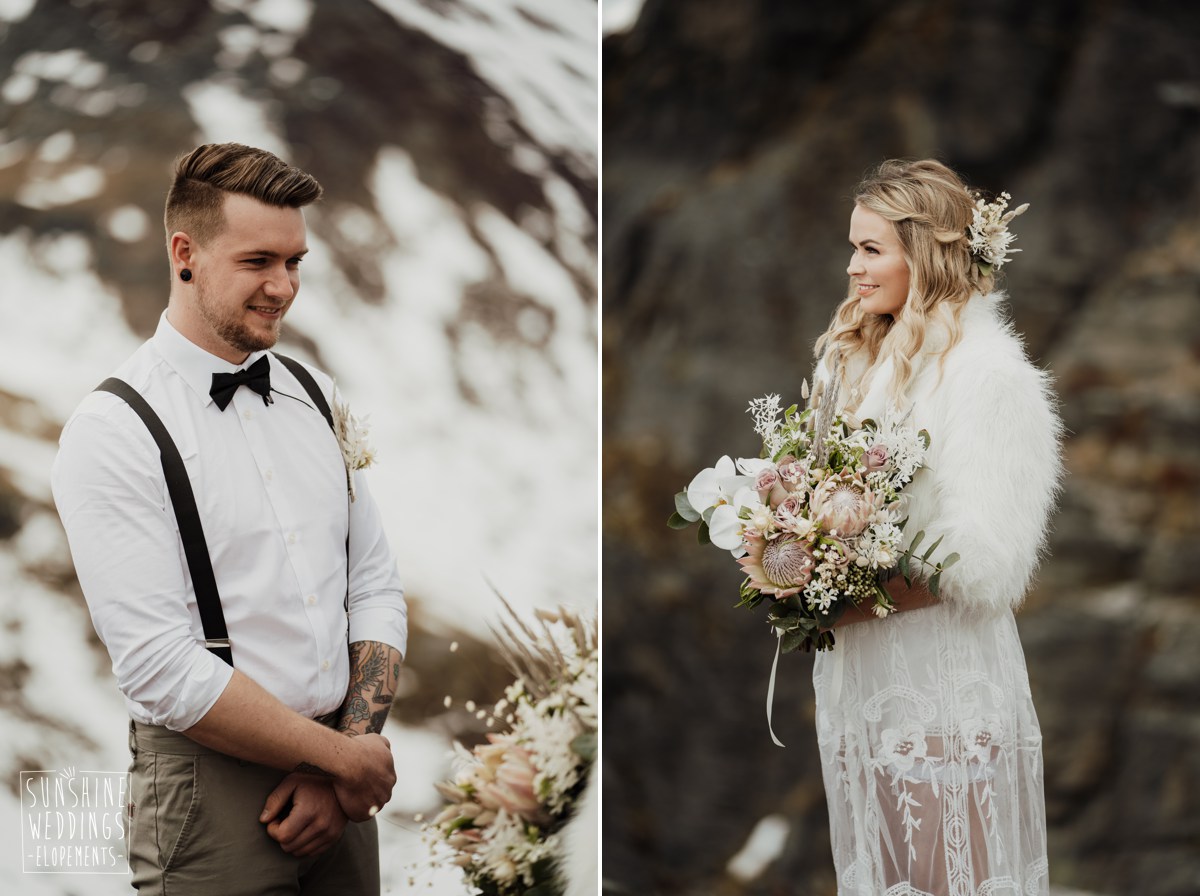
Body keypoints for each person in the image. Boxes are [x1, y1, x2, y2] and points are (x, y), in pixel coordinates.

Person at [51, 143, 407, 896]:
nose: (284, 286)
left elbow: (373, 584)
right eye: (258, 262)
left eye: (295, 262)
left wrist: (343, 755)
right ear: (185, 253)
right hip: (208, 799)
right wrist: (341, 761)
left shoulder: (313, 393)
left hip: (342, 785)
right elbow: (158, 664)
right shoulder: (113, 431)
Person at [808, 159, 1061, 895]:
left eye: (870, 249)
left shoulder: (988, 374)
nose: (853, 268)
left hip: (942, 682)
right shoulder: (854, 367)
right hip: (862, 678)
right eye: (853, 248)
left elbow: (983, 560)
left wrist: (841, 599)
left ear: (923, 255)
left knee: (946, 879)